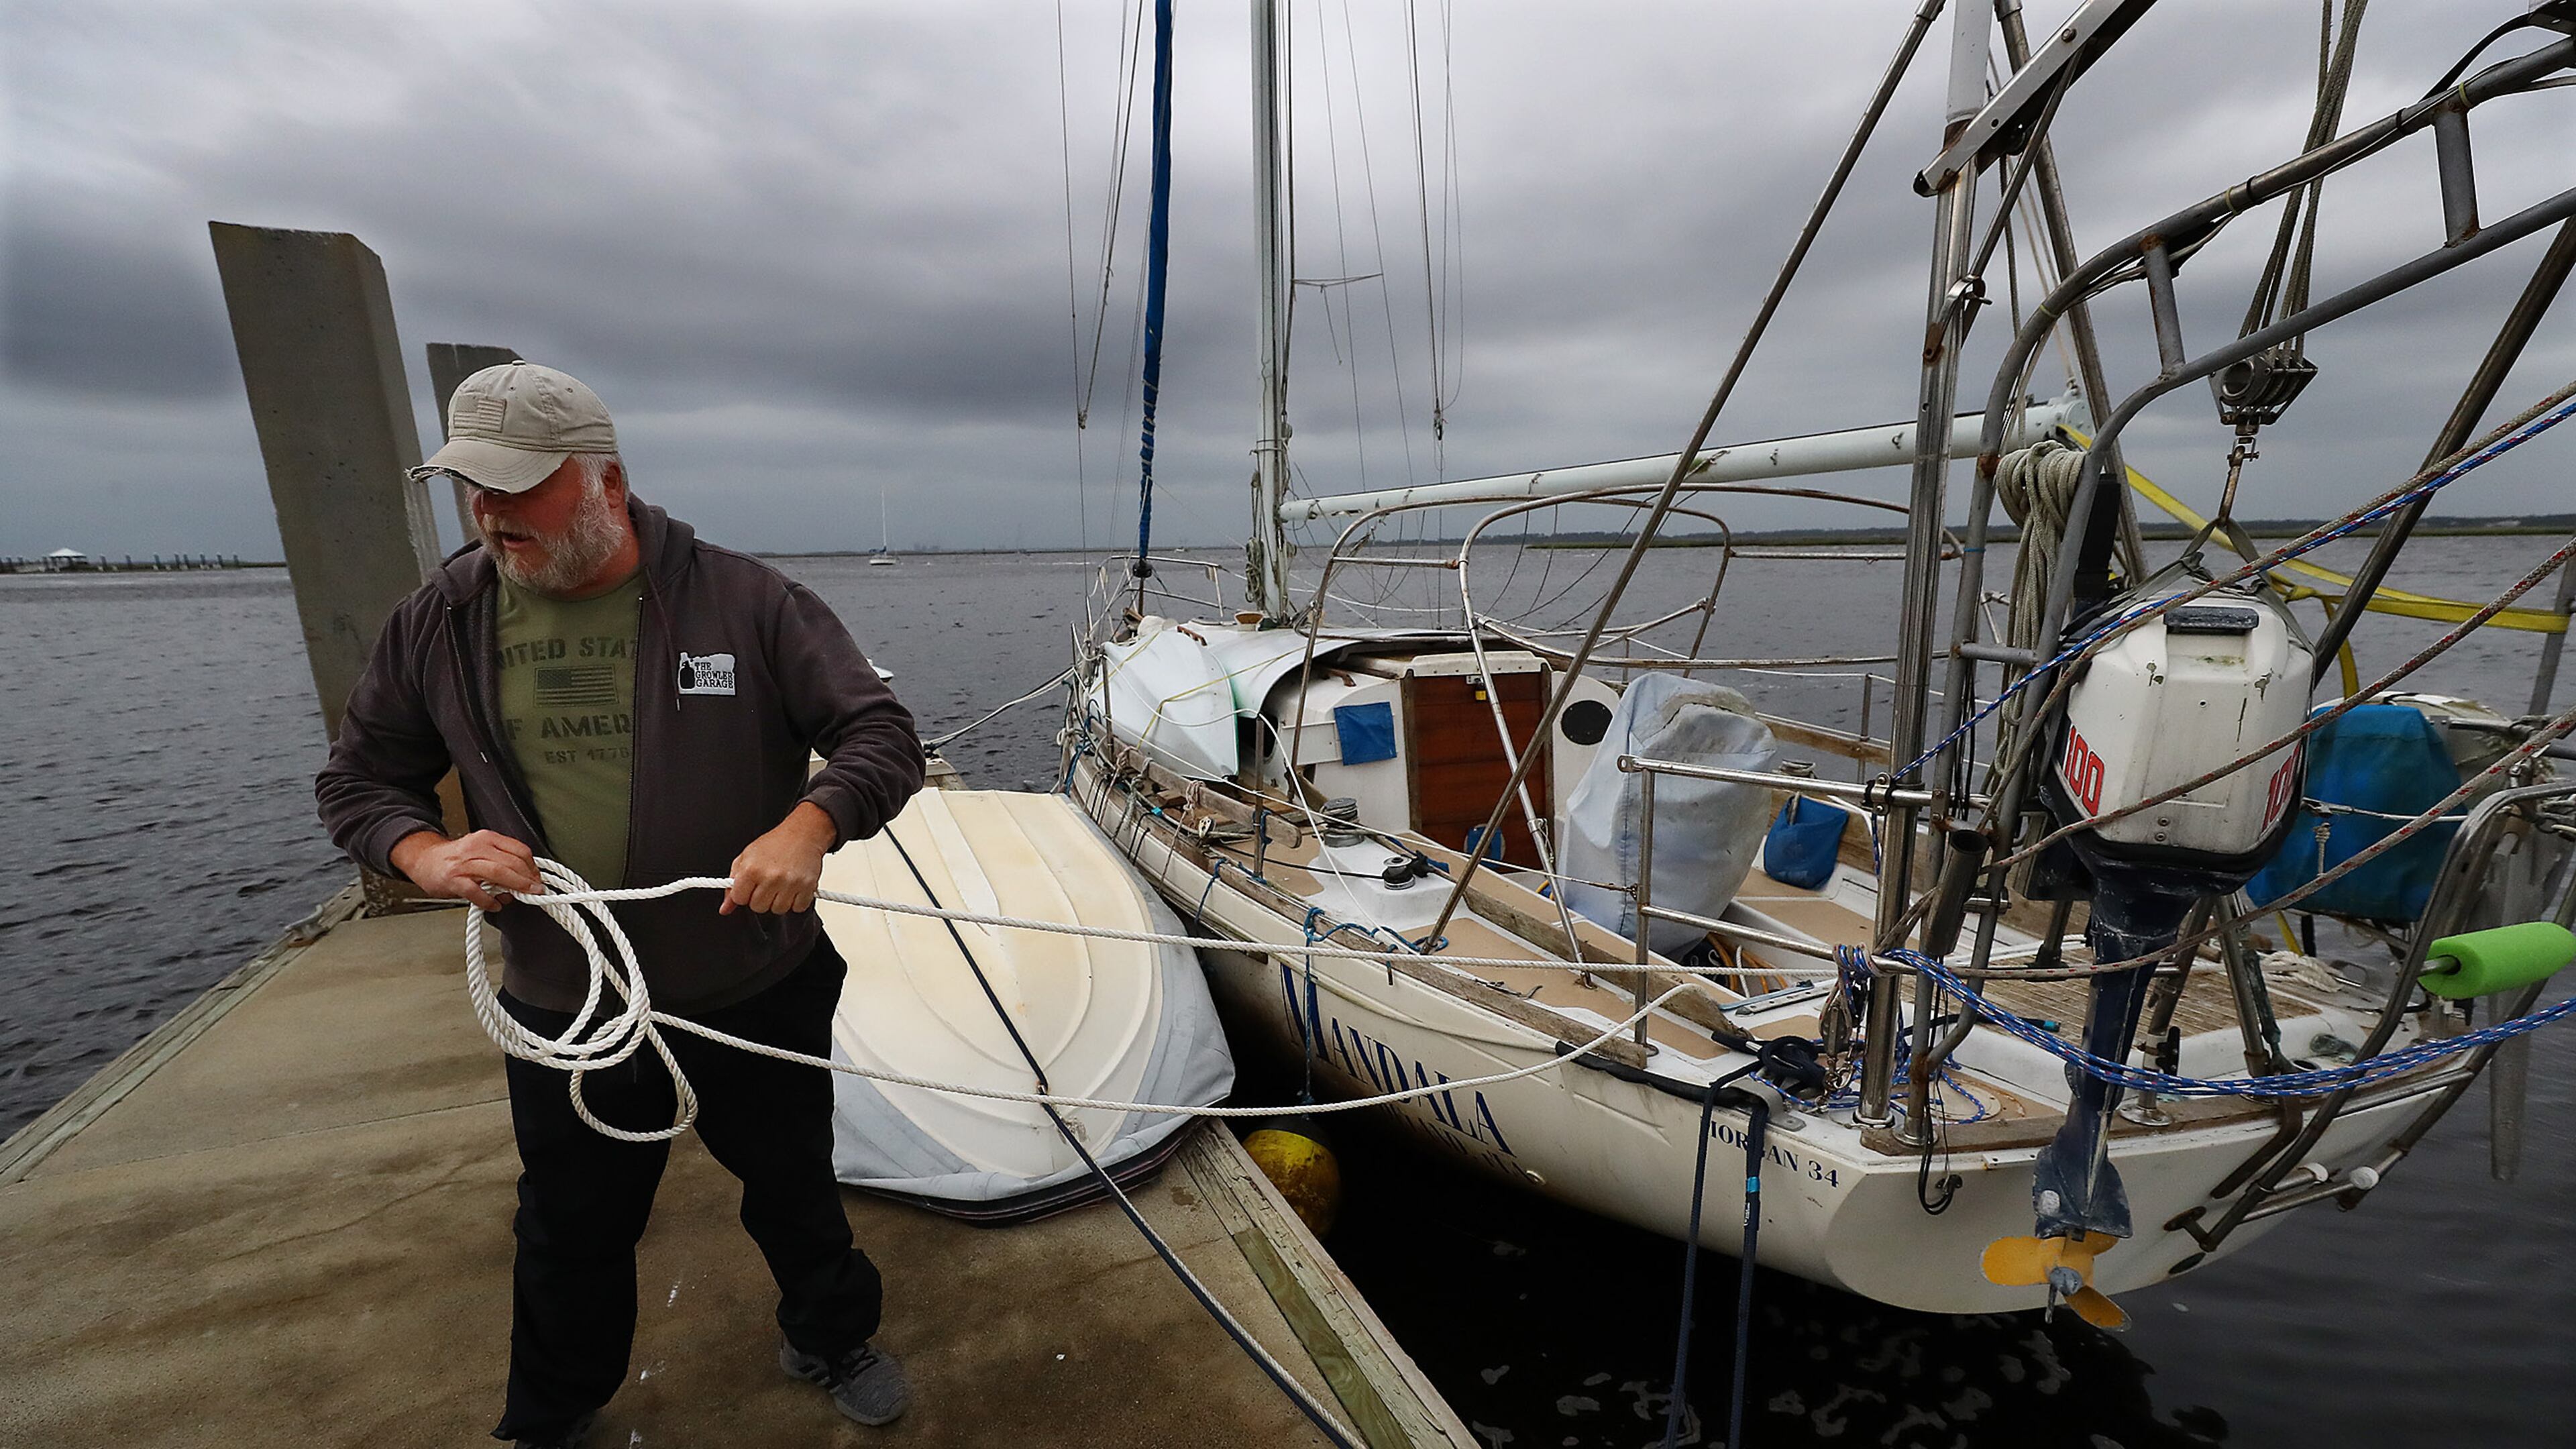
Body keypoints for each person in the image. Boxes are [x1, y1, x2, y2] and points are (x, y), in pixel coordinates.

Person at [314, 361, 924, 1446]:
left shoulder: (749, 601)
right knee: (568, 1225)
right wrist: (424, 855)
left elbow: (880, 735)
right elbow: (360, 781)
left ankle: (830, 1336)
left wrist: (809, 825)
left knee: (795, 1186)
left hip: (754, 983)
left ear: (605, 481)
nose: (494, 513)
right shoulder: (440, 621)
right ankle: (553, 1411)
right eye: (473, 487)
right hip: (568, 999)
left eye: (521, 486)